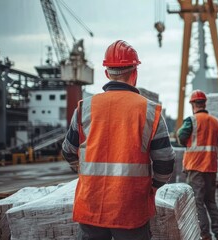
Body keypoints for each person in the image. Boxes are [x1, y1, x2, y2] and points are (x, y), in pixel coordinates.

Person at [62, 40, 175, 240]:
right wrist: (153, 187)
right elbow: (165, 161)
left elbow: (68, 150)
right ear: (135, 73)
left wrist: (84, 173)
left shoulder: (84, 108)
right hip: (131, 208)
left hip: (91, 205)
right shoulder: (149, 111)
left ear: (106, 73)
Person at [177, 90, 218, 240]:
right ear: (204, 103)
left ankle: (204, 235)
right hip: (211, 167)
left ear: (193, 104)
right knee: (211, 202)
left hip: (196, 167)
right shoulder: (216, 123)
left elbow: (181, 136)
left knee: (197, 203)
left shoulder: (191, 121)